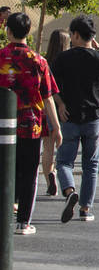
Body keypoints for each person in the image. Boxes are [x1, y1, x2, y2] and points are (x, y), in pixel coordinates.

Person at [51, 15, 99, 223]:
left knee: (64, 161)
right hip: (94, 119)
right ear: (92, 36)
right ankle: (85, 208)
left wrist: (60, 103)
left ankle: (69, 190)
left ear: (74, 34)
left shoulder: (63, 58)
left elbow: (51, 84)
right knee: (91, 165)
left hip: (69, 117)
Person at [0, 12, 62, 235]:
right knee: (28, 173)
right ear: (28, 32)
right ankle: (23, 222)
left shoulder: (0, 57)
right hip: (30, 125)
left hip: (2, 125)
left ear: (8, 31)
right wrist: (56, 127)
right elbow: (48, 97)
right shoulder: (39, 61)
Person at [41, 28, 71, 197]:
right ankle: (63, 180)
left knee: (47, 147)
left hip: (46, 108)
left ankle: (49, 179)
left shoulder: (45, 61)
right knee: (64, 147)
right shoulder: (68, 62)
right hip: (66, 109)